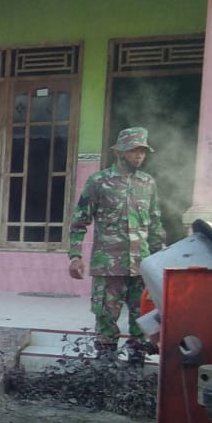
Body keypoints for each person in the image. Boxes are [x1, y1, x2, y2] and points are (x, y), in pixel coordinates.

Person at [67, 126, 166, 363]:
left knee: (141, 321)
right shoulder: (99, 182)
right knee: (105, 320)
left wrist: (160, 258)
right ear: (120, 152)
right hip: (108, 266)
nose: (139, 156)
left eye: (142, 151)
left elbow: (155, 223)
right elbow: (79, 220)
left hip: (141, 267)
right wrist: (75, 255)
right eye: (134, 151)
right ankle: (104, 375)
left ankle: (135, 375)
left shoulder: (148, 183)